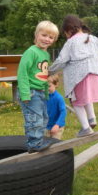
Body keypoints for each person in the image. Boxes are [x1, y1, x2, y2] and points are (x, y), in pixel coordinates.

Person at [49, 15, 98, 137]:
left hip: (79, 77)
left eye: (65, 33)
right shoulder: (92, 38)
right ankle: (92, 118)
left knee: (75, 101)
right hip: (96, 75)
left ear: (68, 30)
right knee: (86, 97)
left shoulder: (70, 42)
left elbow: (61, 60)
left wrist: (48, 72)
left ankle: (86, 128)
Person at [17, 20, 59, 153]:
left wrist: (46, 92)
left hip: (40, 92)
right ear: (36, 35)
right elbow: (22, 73)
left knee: (44, 118)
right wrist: (24, 93)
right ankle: (34, 144)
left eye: (51, 37)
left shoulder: (45, 54)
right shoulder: (31, 52)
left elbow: (44, 75)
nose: (47, 39)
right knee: (35, 118)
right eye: (44, 35)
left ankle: (36, 140)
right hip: (30, 92)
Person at [46, 74, 67, 140]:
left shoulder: (58, 98)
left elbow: (63, 112)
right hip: (46, 126)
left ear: (56, 84)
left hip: (57, 127)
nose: (47, 89)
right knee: (45, 144)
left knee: (55, 145)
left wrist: (57, 125)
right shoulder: (44, 97)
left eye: (49, 86)